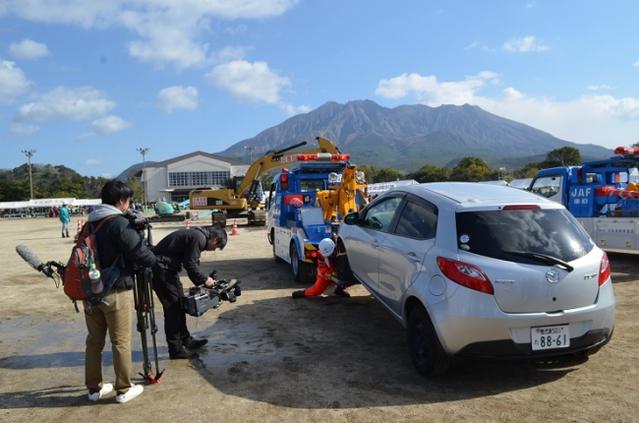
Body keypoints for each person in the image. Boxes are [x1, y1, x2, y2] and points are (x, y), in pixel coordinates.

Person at [84, 180, 157, 404]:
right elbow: (142, 255)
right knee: (121, 341)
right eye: (128, 201)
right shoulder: (118, 223)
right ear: (121, 201)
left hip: (90, 290)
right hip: (115, 291)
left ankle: (94, 389)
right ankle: (123, 389)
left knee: (94, 342)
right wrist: (155, 258)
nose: (129, 205)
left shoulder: (90, 223)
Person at [152, 225, 228, 359]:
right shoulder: (198, 238)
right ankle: (175, 350)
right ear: (215, 239)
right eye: (216, 247)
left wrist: (204, 280)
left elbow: (193, 262)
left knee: (180, 305)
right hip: (162, 270)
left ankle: (186, 340)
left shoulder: (197, 235)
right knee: (173, 310)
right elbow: (190, 264)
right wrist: (205, 281)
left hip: (167, 269)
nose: (212, 250)